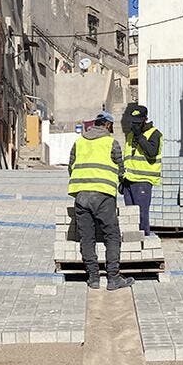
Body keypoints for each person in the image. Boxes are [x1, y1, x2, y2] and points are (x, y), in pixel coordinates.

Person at [68, 111, 134, 291]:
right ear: (107, 125)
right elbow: (121, 169)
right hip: (103, 196)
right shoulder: (111, 142)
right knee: (111, 235)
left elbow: (71, 167)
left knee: (87, 237)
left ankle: (94, 278)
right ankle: (113, 278)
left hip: (82, 196)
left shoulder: (79, 142)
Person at [119, 104, 163, 236]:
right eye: (133, 123)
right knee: (130, 217)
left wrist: (140, 137)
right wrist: (122, 178)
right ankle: (133, 244)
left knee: (142, 216)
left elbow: (151, 152)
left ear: (145, 119)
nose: (135, 125)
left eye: (138, 123)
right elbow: (127, 158)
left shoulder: (155, 134)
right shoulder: (130, 136)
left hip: (143, 181)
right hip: (128, 181)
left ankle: (144, 242)